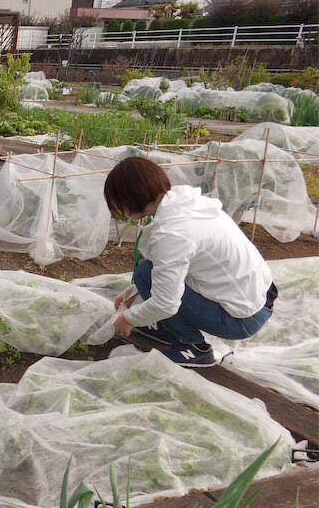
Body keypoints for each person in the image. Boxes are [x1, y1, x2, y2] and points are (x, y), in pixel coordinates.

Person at [104, 157, 277, 367]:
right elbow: (167, 263)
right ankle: (168, 328)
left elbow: (166, 303)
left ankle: (194, 346)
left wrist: (129, 318)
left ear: (130, 198)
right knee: (146, 274)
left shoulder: (173, 232)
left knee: (147, 277)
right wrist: (133, 292)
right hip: (256, 296)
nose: (121, 211)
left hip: (243, 318)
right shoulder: (185, 203)